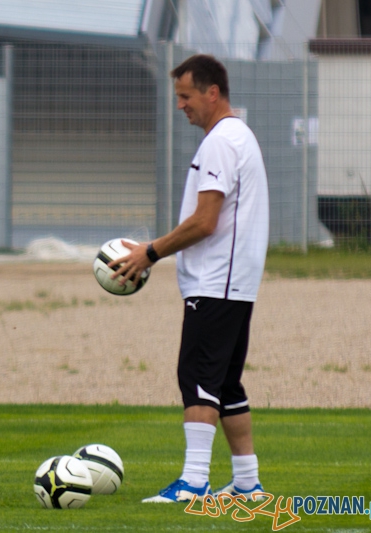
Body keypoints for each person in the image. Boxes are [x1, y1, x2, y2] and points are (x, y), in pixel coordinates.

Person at [111, 54, 269, 503]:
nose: (180, 105)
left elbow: (205, 221)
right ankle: (246, 484)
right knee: (225, 383)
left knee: (197, 377)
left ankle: (193, 481)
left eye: (186, 96)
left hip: (216, 282)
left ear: (212, 92)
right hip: (233, 283)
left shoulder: (222, 140)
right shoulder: (238, 136)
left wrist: (150, 252)